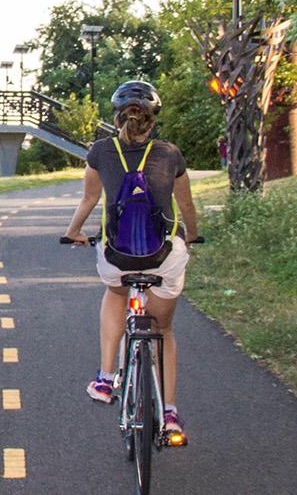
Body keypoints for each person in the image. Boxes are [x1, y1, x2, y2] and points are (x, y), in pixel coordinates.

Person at [62, 80, 200, 443]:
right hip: (163, 258)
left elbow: (89, 200)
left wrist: (73, 233)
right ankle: (169, 414)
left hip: (117, 257)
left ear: (116, 117)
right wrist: (194, 235)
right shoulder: (170, 154)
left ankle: (107, 379)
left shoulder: (100, 151)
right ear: (153, 120)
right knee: (164, 330)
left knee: (115, 293)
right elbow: (186, 208)